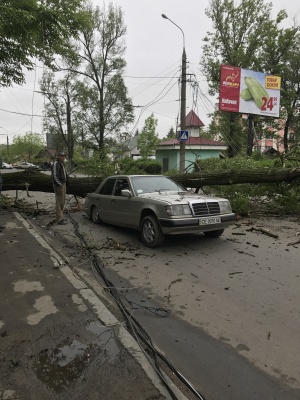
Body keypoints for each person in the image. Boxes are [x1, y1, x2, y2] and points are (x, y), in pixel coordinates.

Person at [51, 151, 69, 225]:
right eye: (61, 156)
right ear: (58, 157)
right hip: (59, 185)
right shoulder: (56, 164)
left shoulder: (61, 164)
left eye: (64, 156)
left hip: (63, 184)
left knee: (63, 201)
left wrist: (66, 183)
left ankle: (61, 216)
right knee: (59, 202)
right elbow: (55, 176)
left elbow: (65, 175)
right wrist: (59, 184)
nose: (63, 157)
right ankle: (59, 219)